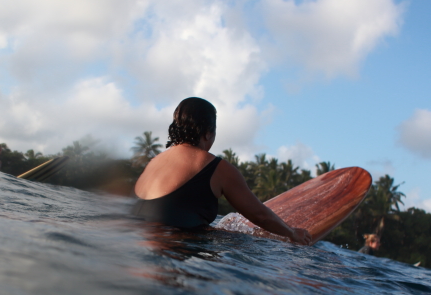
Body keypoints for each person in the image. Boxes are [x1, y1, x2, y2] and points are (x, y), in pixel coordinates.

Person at [132, 97, 312, 245]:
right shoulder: (216, 167)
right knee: (240, 243)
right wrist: (291, 232)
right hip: (173, 247)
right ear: (208, 132)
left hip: (135, 237)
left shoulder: (154, 161)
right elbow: (260, 215)